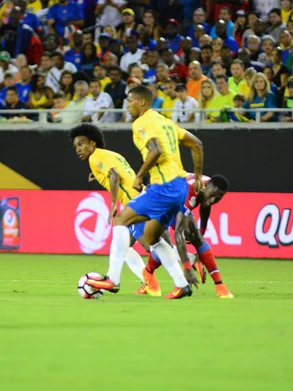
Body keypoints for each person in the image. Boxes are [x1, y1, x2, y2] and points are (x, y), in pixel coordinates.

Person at [85, 85, 205, 300]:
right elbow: (197, 144)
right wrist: (196, 177)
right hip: (179, 187)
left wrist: (140, 175)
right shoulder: (166, 122)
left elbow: (155, 150)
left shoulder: (142, 122)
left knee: (121, 219)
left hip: (163, 186)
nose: (127, 104)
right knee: (153, 238)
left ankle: (113, 279)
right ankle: (181, 284)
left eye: (130, 100)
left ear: (142, 102)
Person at [69, 124, 154, 294]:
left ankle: (187, 261)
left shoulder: (95, 158)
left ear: (93, 143)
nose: (78, 149)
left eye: (81, 144)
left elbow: (114, 175)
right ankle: (148, 281)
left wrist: (113, 204)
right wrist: (99, 175)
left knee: (153, 246)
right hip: (144, 196)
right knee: (125, 247)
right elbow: (121, 172)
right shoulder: (109, 154)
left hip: (135, 204)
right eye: (76, 146)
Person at [168, 173, 234, 298]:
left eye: (219, 198)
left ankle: (220, 285)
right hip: (163, 201)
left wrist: (202, 231)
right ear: (208, 186)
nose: (215, 200)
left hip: (174, 196)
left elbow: (206, 204)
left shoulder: (207, 187)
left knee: (196, 235)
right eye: (214, 195)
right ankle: (151, 277)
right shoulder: (191, 192)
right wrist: (187, 269)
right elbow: (178, 234)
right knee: (156, 242)